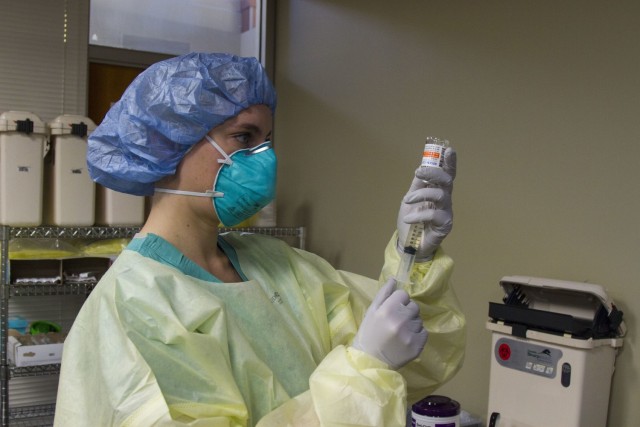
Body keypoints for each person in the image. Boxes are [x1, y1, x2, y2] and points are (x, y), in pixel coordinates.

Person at [54, 52, 465, 427]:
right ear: (171, 142)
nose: (265, 159)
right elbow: (368, 371)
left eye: (267, 141)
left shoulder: (280, 267)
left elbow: (414, 357)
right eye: (244, 138)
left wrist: (414, 255)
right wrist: (362, 371)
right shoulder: (134, 307)